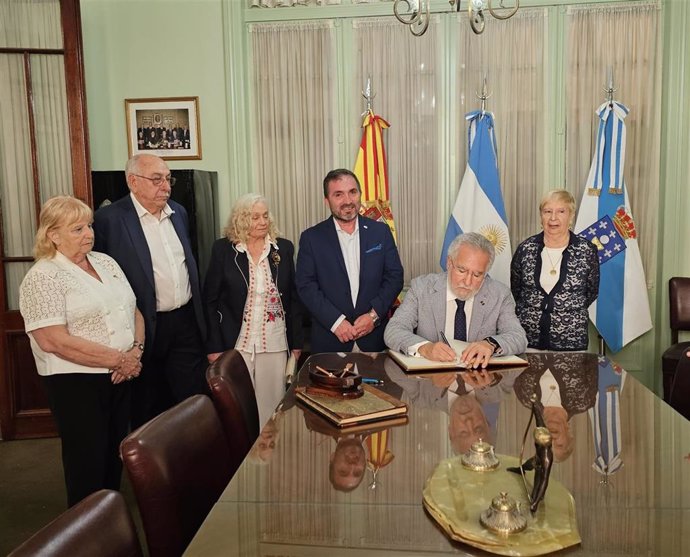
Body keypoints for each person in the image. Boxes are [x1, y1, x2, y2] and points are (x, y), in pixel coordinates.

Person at [18, 196, 144, 507]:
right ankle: (85, 532)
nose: (89, 233)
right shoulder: (42, 276)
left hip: (121, 376)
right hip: (77, 383)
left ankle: (110, 521)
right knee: (86, 464)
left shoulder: (105, 262)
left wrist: (136, 352)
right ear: (53, 234)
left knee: (113, 458)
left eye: (89, 226)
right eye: (77, 229)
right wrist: (121, 360)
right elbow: (53, 340)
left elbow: (135, 312)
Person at [93, 154, 207, 428]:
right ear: (133, 182)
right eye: (157, 179)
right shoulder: (110, 219)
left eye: (168, 179)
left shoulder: (177, 212)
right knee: (146, 403)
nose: (166, 186)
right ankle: (152, 467)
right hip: (143, 325)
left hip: (185, 321)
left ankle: (192, 462)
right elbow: (101, 276)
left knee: (191, 399)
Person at [203, 193, 303, 427]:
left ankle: (270, 454)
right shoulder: (224, 250)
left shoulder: (283, 249)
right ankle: (244, 459)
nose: (262, 222)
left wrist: (296, 342)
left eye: (265, 216)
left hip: (275, 341)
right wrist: (214, 346)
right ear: (241, 220)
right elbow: (210, 300)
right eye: (255, 217)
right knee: (238, 407)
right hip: (237, 343)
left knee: (273, 407)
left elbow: (294, 299)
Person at [296, 169, 404, 353]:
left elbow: (395, 277)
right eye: (338, 194)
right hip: (330, 342)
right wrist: (336, 322)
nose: (348, 201)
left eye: (352, 192)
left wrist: (373, 316)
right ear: (326, 200)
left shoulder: (380, 232)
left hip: (375, 340)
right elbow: (306, 286)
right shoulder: (311, 238)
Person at [384, 232, 527, 368]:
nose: (467, 281)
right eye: (462, 271)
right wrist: (425, 348)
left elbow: (518, 336)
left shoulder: (500, 294)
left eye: (477, 275)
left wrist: (490, 344)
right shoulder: (421, 288)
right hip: (432, 382)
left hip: (479, 383)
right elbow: (394, 330)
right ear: (449, 263)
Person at [510, 190, 599, 351]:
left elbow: (591, 292)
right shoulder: (526, 248)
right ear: (541, 215)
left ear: (571, 215)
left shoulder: (587, 250)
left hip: (572, 342)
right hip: (528, 341)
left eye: (561, 211)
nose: (553, 218)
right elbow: (517, 290)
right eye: (547, 211)